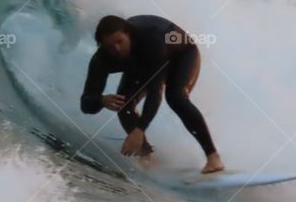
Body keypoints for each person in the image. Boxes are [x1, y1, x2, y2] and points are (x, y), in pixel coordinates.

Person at [80, 14, 224, 174]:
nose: (117, 49)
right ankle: (147, 158)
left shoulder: (150, 39)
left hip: (181, 53)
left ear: (128, 34)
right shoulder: (101, 60)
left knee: (176, 98)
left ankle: (213, 157)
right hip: (144, 62)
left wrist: (139, 129)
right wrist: (100, 100)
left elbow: (155, 92)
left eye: (119, 42)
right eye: (110, 46)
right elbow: (86, 104)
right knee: (124, 105)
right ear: (101, 46)